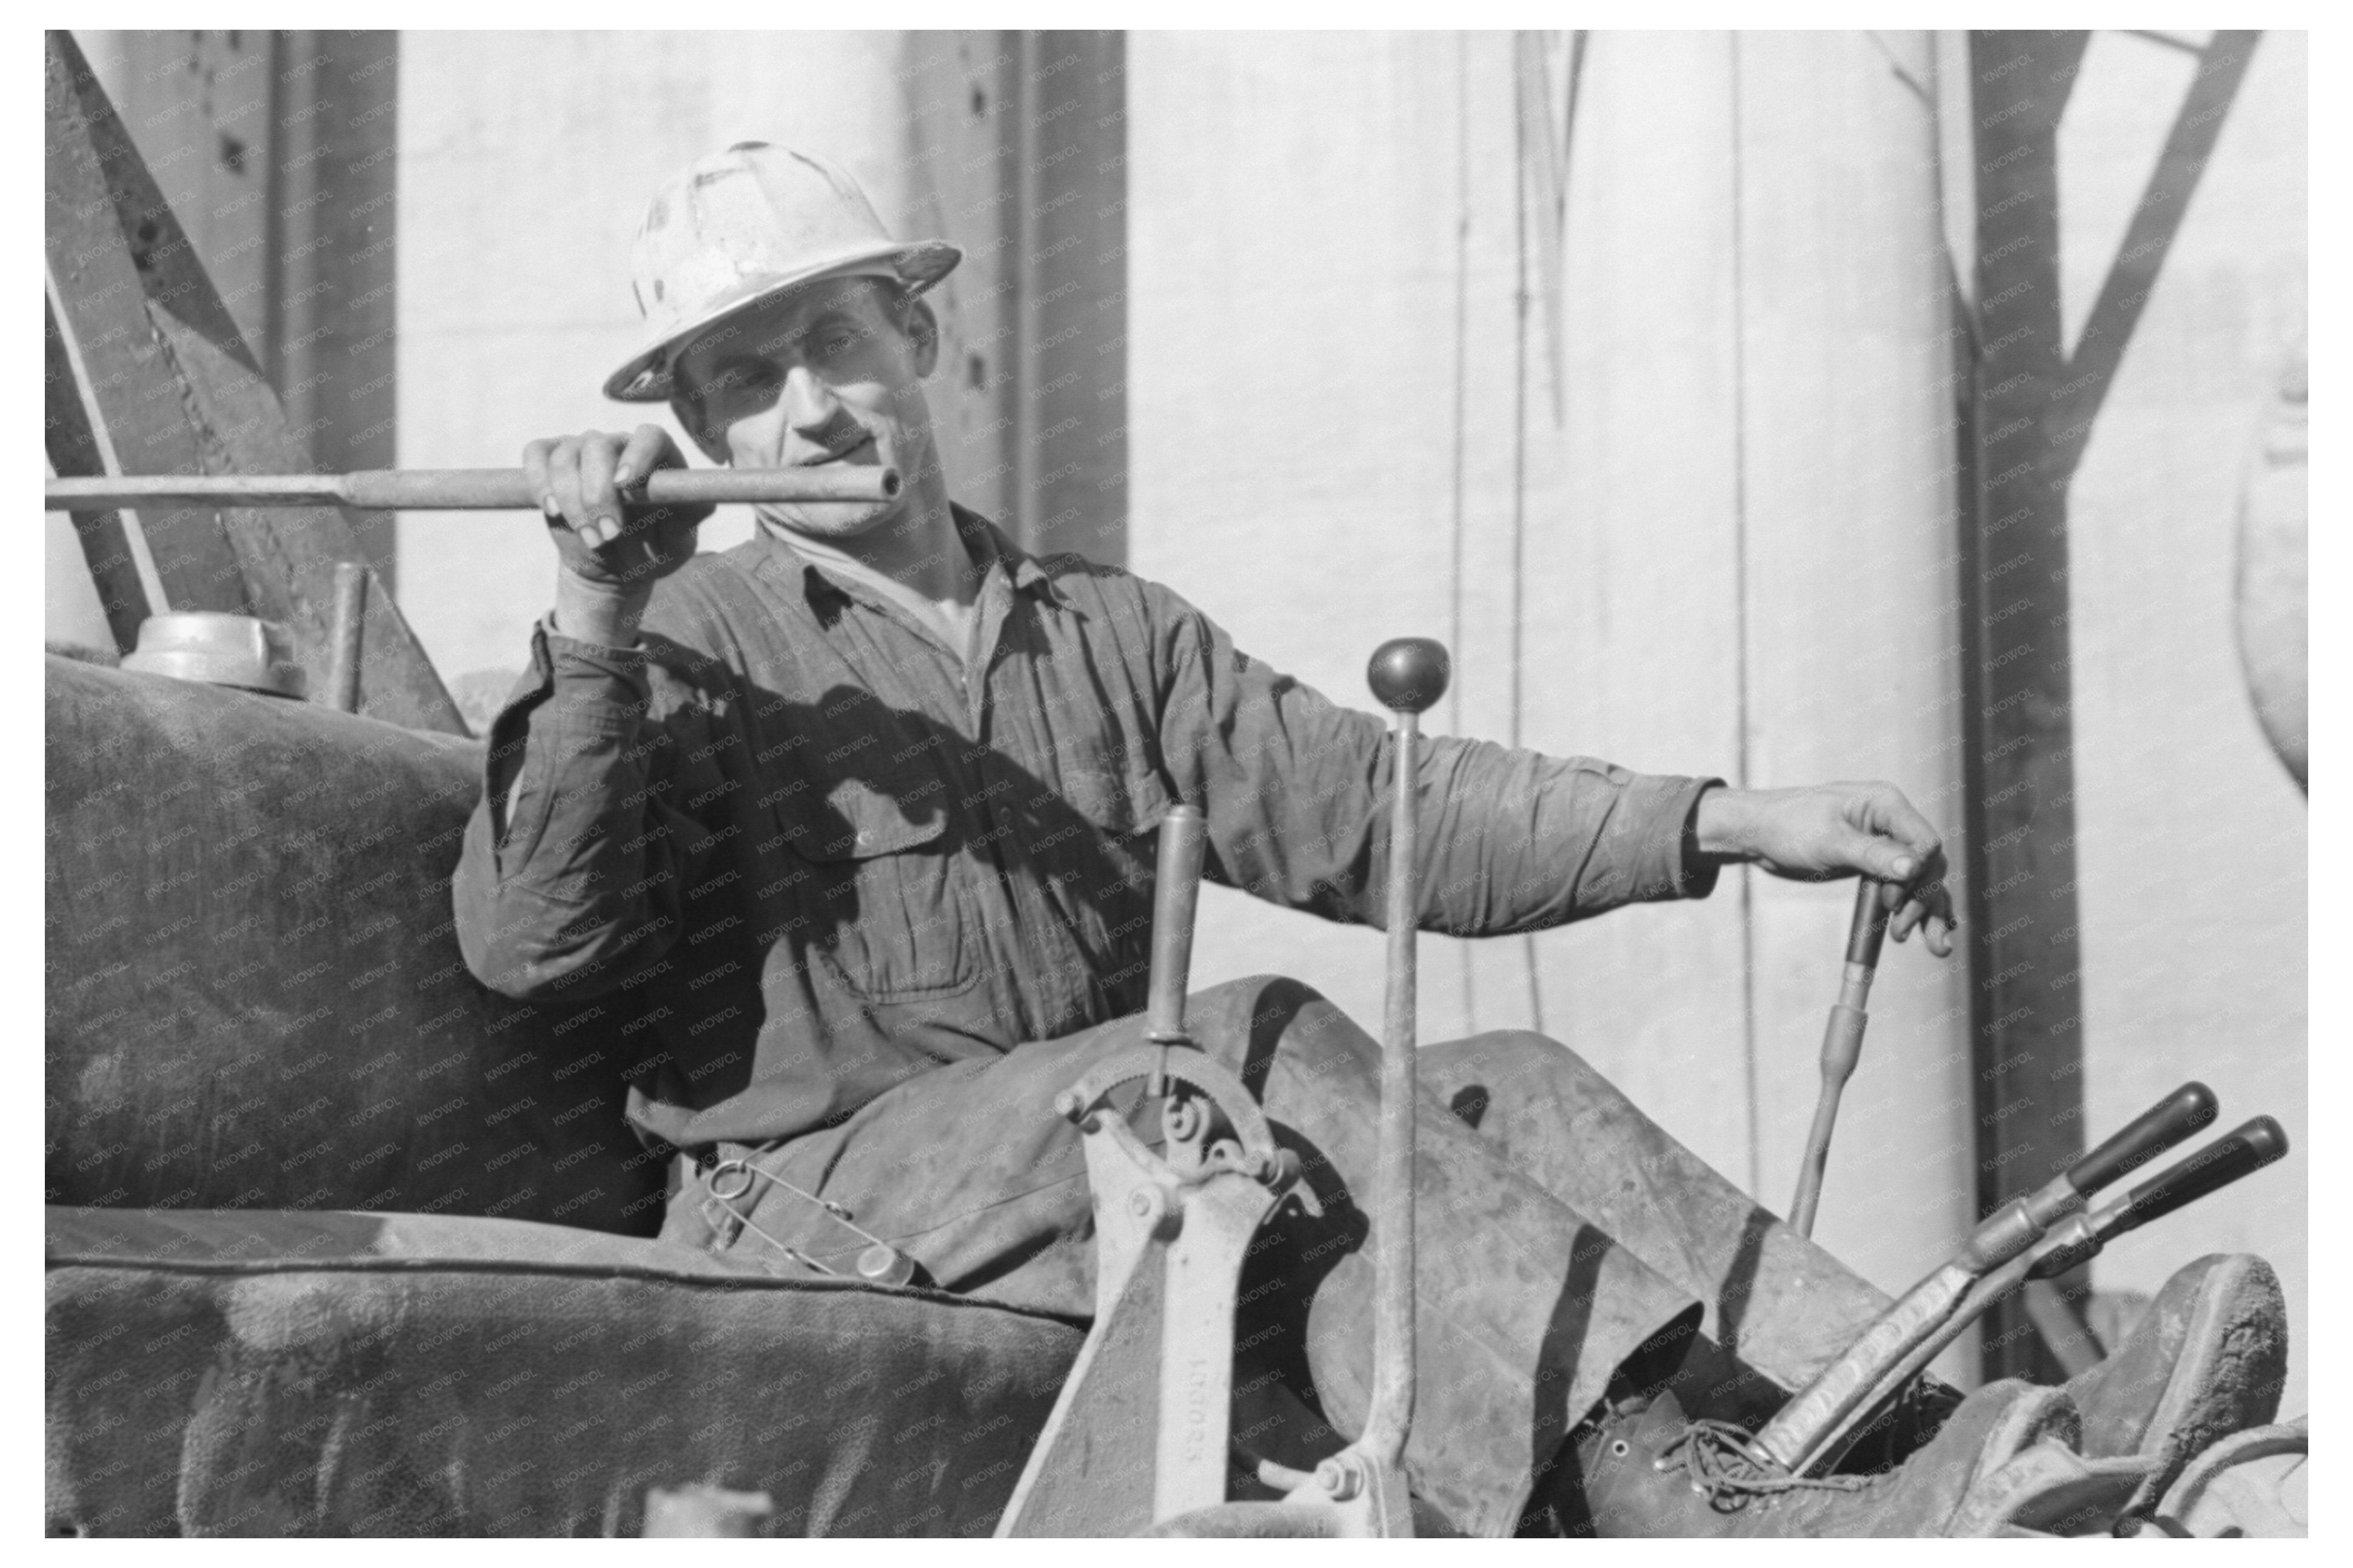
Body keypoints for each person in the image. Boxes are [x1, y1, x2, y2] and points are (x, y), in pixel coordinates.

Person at [454, 144, 2284, 1536]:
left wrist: (1724, 819)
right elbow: (529, 942)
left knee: (1506, 1082)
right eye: (743, 379)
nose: (806, 408)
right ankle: (1699, 1502)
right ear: (688, 430)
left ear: (914, 336)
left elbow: (1382, 812)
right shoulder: (679, 647)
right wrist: (598, 617)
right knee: (1246, 1044)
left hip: (1105, 1150)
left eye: (833, 341)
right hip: (823, 1202)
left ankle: (1948, 1436)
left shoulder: (1111, 631)